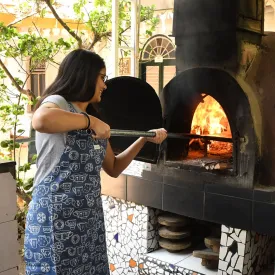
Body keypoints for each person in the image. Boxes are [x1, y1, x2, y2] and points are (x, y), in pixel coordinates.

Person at [24, 49, 167, 275]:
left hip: (88, 220)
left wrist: (144, 138)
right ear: (85, 75)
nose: (105, 85)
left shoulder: (97, 120)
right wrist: (89, 121)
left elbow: (114, 167)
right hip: (54, 219)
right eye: (102, 77)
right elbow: (41, 120)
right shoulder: (58, 103)